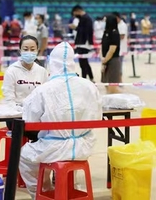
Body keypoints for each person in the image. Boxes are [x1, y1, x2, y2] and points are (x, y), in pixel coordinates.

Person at [19, 42, 102, 199]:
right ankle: (70, 188)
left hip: (54, 146)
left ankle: (42, 193)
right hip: (84, 146)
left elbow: (30, 121)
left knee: (25, 156)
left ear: (52, 62)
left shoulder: (44, 90)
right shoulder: (89, 86)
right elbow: (98, 116)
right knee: (59, 157)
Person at [1, 35, 49, 131]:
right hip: (16, 116)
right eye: (25, 49)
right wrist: (20, 112)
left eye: (32, 49)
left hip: (37, 115)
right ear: (20, 51)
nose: (29, 52)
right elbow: (8, 98)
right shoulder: (11, 71)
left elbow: (46, 96)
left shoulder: (42, 71)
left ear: (37, 50)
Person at [70, 5, 94, 82]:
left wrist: (75, 28)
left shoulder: (86, 18)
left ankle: (84, 79)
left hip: (84, 43)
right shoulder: (84, 18)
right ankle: (91, 78)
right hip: (82, 43)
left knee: (83, 63)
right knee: (85, 62)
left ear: (78, 11)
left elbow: (85, 31)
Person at [101, 15, 121, 94]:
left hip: (113, 61)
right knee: (106, 84)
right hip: (105, 60)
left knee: (112, 87)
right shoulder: (105, 32)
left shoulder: (115, 33)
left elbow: (112, 50)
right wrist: (102, 59)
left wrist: (105, 60)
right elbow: (101, 46)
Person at [114, 12, 128, 81]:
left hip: (121, 49)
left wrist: (112, 37)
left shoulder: (122, 25)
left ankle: (120, 80)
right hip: (116, 48)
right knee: (117, 66)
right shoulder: (117, 24)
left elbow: (122, 36)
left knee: (119, 66)